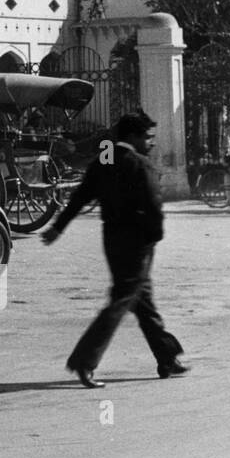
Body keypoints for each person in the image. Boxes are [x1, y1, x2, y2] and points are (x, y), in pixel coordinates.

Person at [41, 111, 187, 388]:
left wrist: (58, 228)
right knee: (122, 300)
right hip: (138, 241)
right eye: (146, 137)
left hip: (112, 238)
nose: (150, 143)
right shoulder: (140, 164)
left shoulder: (103, 161)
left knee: (141, 298)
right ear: (132, 136)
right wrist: (155, 237)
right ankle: (84, 362)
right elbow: (155, 207)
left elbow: (80, 197)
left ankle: (167, 357)